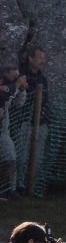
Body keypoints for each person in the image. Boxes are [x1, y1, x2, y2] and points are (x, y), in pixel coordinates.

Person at [14, 45, 47, 195]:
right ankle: (19, 187)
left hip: (40, 123)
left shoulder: (42, 79)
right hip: (23, 122)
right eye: (39, 58)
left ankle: (32, 188)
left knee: (38, 159)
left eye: (43, 58)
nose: (42, 61)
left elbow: (45, 100)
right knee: (21, 157)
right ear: (30, 58)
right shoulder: (21, 76)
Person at [0, 62, 20, 201]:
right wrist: (16, 87)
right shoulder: (6, 87)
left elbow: (17, 102)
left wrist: (20, 90)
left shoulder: (8, 89)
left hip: (2, 131)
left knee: (10, 157)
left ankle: (9, 189)